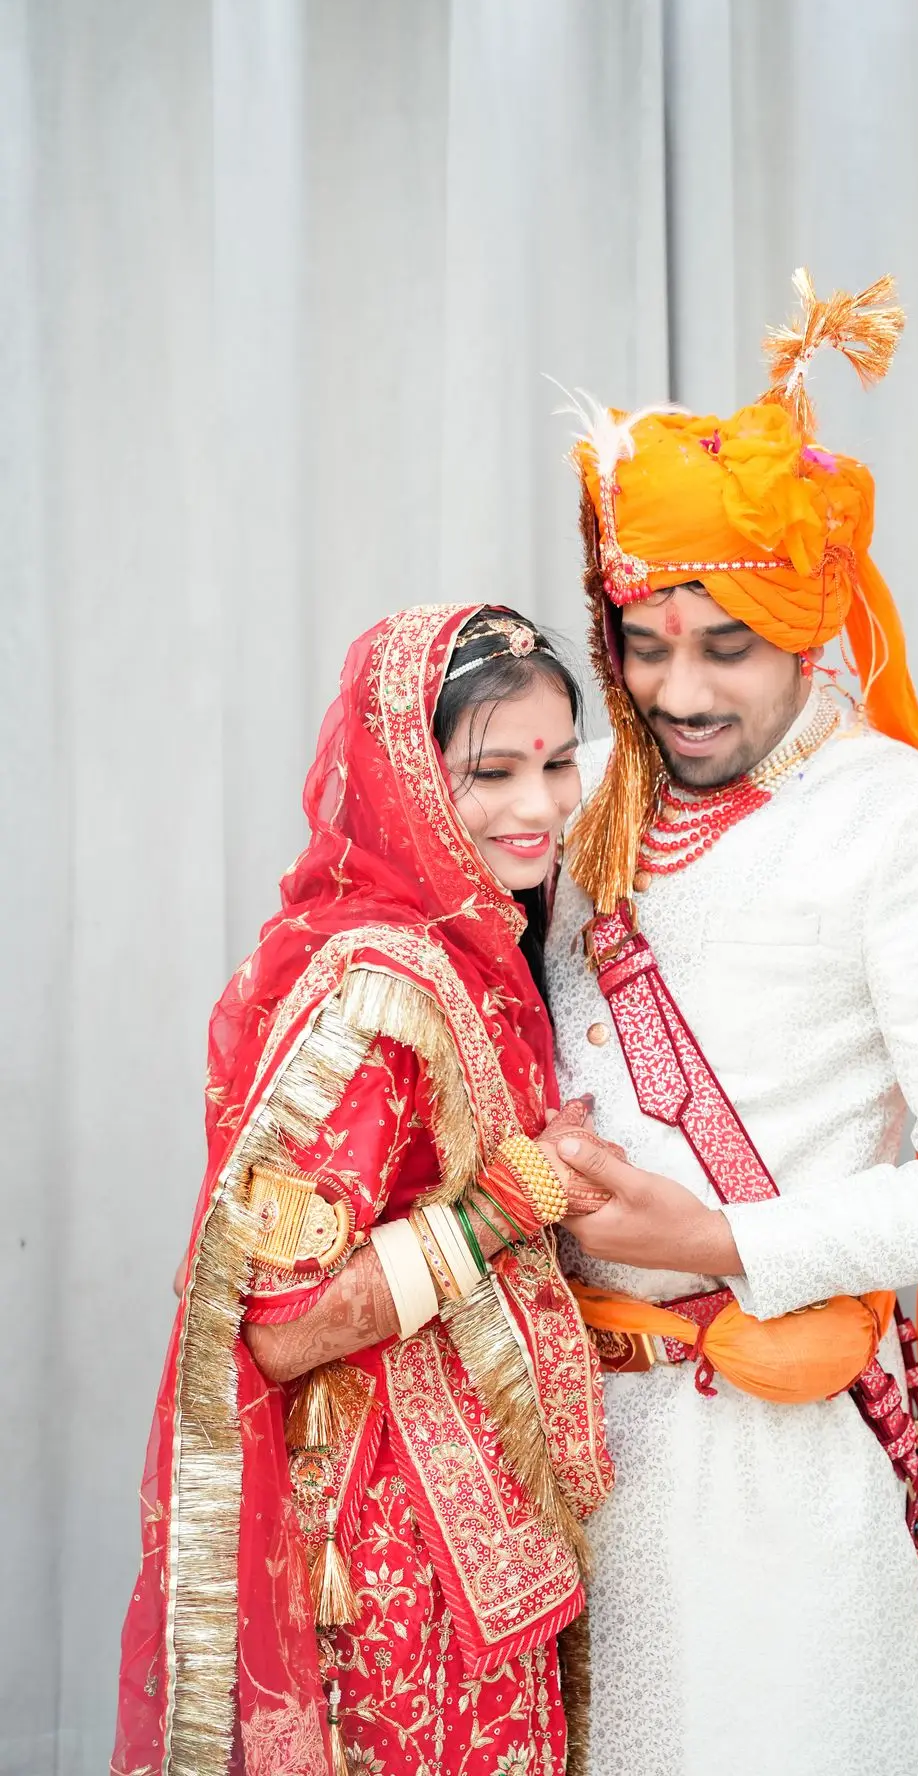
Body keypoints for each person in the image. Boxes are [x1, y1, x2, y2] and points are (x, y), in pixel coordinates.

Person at [542, 273, 918, 1776]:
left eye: (728, 645)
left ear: (813, 618)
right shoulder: (569, 791)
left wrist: (716, 1241)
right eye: (647, 643)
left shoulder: (913, 826)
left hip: (763, 1468)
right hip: (544, 1456)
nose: (678, 690)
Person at [113, 604, 615, 1776]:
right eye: (492, 772)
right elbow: (280, 1327)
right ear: (408, 782)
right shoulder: (377, 993)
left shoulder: (475, 949)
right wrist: (510, 1199)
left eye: (554, 763)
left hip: (479, 1516)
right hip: (391, 1545)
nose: (538, 807)